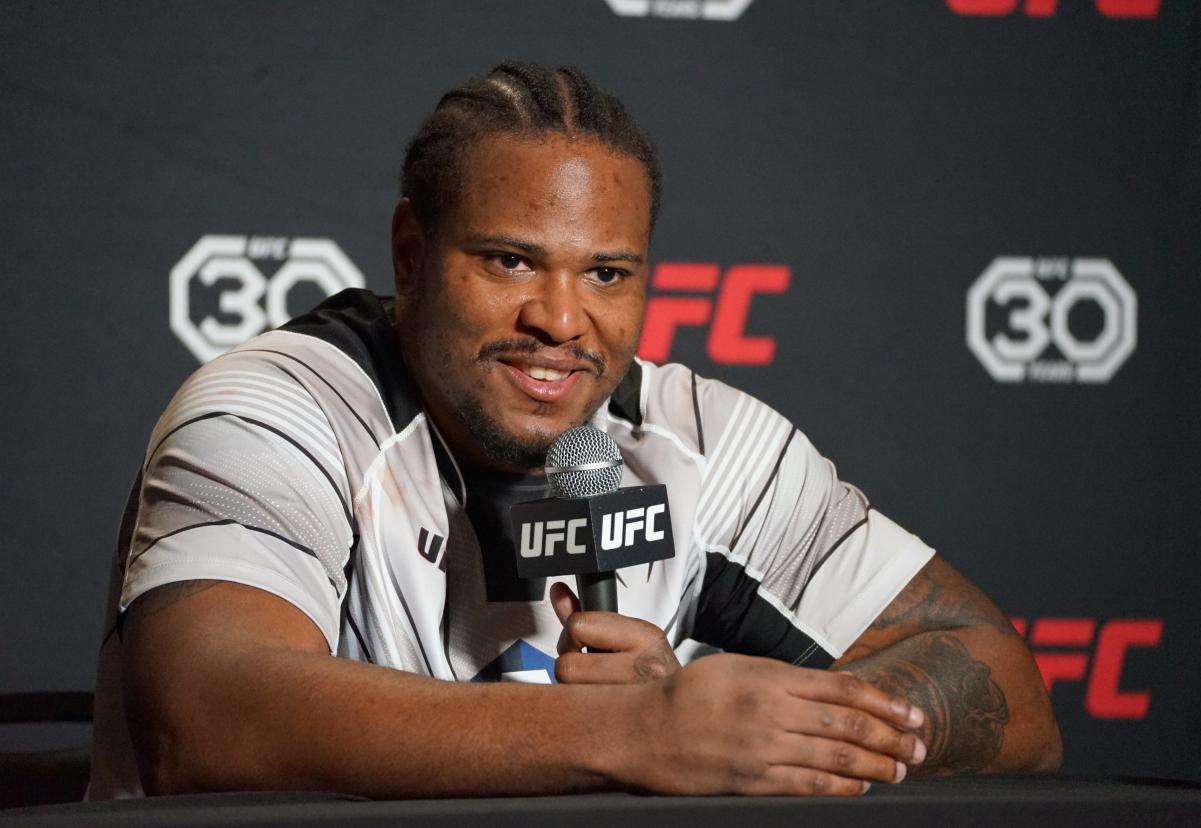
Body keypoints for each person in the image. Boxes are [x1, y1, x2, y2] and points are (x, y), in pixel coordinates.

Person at [88, 61, 1060, 800]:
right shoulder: (276, 408)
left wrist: (788, 726)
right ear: (411, 255)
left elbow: (1002, 681)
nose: (561, 319)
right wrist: (635, 734)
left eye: (607, 274)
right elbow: (202, 714)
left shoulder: (690, 438)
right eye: (511, 262)